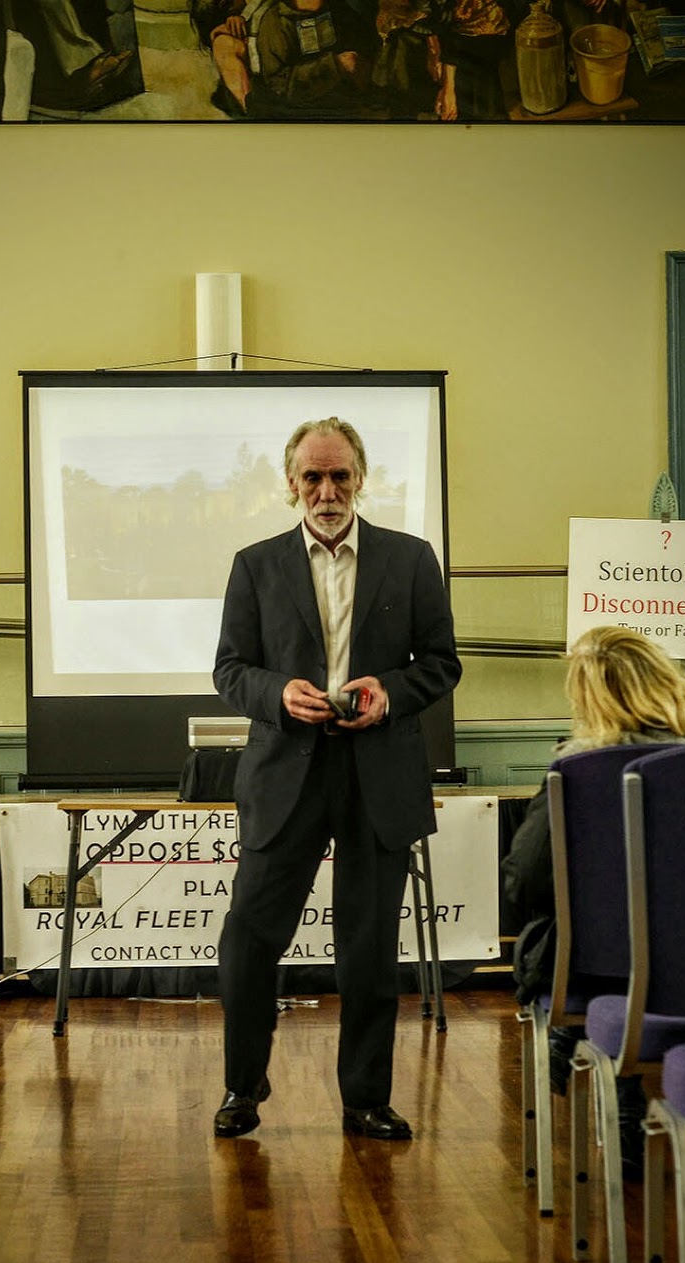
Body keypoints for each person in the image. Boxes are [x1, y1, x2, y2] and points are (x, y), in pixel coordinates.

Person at [211, 417, 461, 1141]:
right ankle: (242, 1087)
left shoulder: (411, 560)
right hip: (285, 775)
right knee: (249, 941)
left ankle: (365, 1100)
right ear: (291, 484)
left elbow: (442, 663)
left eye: (340, 476)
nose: (327, 490)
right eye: (313, 477)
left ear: (361, 478)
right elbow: (230, 670)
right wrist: (277, 696)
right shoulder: (254, 565)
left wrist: (390, 692)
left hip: (377, 776)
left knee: (369, 949)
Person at [500, 624, 685, 1170]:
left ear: (587, 695)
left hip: (617, 966)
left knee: (580, 925)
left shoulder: (581, 762)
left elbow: (525, 880)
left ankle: (599, 1059)